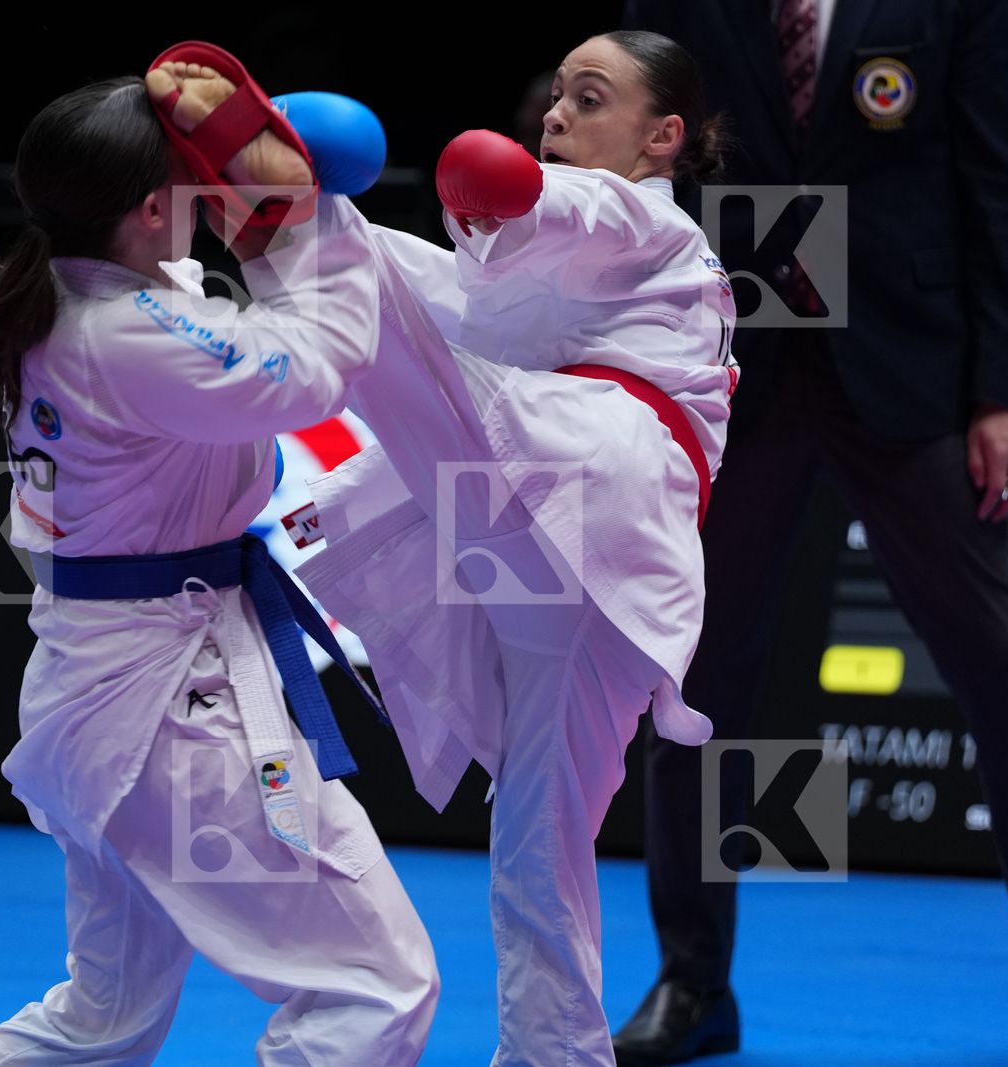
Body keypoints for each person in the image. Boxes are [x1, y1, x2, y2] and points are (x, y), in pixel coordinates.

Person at [0, 66, 437, 1067]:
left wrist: (250, 213)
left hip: (106, 693)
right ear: (146, 208)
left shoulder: (78, 295)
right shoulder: (127, 335)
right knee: (374, 985)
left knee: (104, 1018)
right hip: (170, 713)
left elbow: (230, 324)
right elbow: (314, 368)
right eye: (190, 174)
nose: (210, 182)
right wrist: (302, 219)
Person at [291, 30, 737, 1067]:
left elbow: (555, 209)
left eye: (591, 99)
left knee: (387, 307)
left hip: (593, 486)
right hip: (594, 577)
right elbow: (465, 296)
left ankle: (279, 214)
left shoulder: (645, 218)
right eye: (557, 96)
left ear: (663, 137)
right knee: (538, 849)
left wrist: (493, 191)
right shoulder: (562, 276)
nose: (558, 114)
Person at [613, 3, 1008, 1062]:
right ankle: (692, 981)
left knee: (1007, 670)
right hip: (725, 371)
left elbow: (999, 184)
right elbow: (634, 166)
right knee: (694, 689)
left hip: (908, 368)